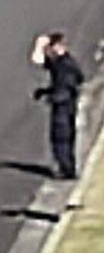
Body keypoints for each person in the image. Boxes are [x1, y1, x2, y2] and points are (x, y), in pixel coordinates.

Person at [31, 32, 84, 180]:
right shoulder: (62, 62)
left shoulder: (65, 65)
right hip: (66, 105)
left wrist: (54, 97)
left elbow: (67, 85)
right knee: (64, 137)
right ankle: (66, 167)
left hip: (64, 106)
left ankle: (66, 169)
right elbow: (38, 60)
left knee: (61, 137)